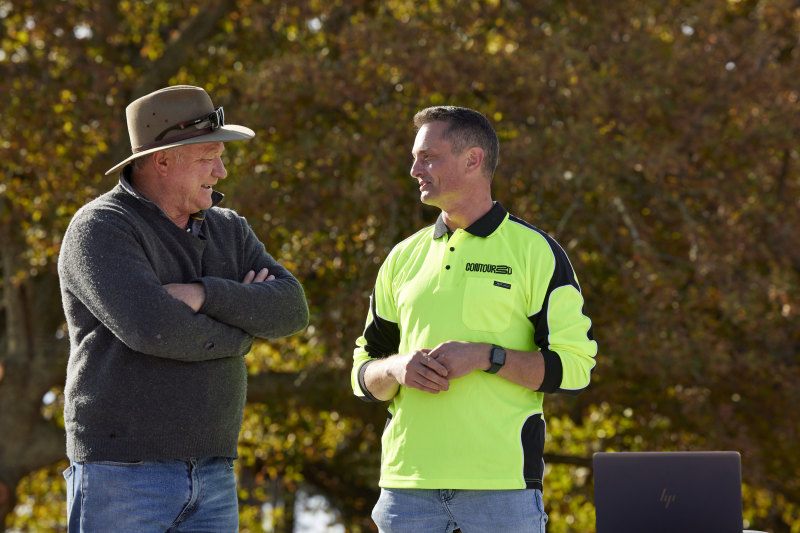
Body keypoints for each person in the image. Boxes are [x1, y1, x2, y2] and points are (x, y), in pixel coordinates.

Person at [58, 85, 309, 532]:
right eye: (209, 157)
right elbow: (154, 329)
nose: (223, 170)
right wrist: (244, 331)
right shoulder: (100, 228)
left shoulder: (229, 228)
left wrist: (204, 295)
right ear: (163, 160)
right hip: (120, 471)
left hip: (214, 472)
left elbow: (292, 309)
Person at [350, 106, 597, 532]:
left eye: (428, 157)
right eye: (415, 157)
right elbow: (361, 372)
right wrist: (395, 367)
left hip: (501, 492)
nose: (414, 169)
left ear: (473, 159)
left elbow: (575, 370)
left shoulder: (536, 253)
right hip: (405, 491)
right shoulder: (400, 258)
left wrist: (488, 356)